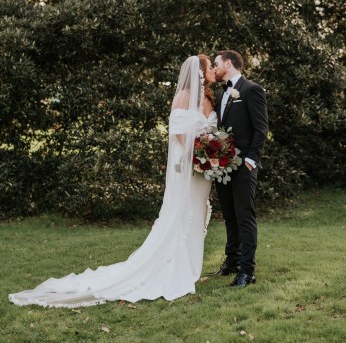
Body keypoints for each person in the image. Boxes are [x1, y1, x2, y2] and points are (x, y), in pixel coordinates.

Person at [9, 55, 217, 308]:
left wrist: (212, 154)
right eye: (209, 68)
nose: (213, 71)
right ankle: (173, 266)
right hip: (188, 167)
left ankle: (189, 264)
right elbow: (179, 133)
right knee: (182, 215)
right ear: (199, 72)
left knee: (196, 215)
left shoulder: (206, 98)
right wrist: (197, 157)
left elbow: (211, 132)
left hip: (203, 171)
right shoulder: (184, 96)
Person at [208, 50, 268, 288]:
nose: (214, 68)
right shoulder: (222, 93)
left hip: (244, 165)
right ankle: (231, 262)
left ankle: (247, 271)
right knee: (230, 217)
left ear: (229, 63)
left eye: (216, 64)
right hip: (223, 166)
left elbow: (261, 128)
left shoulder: (251, 89)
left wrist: (251, 160)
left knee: (244, 216)